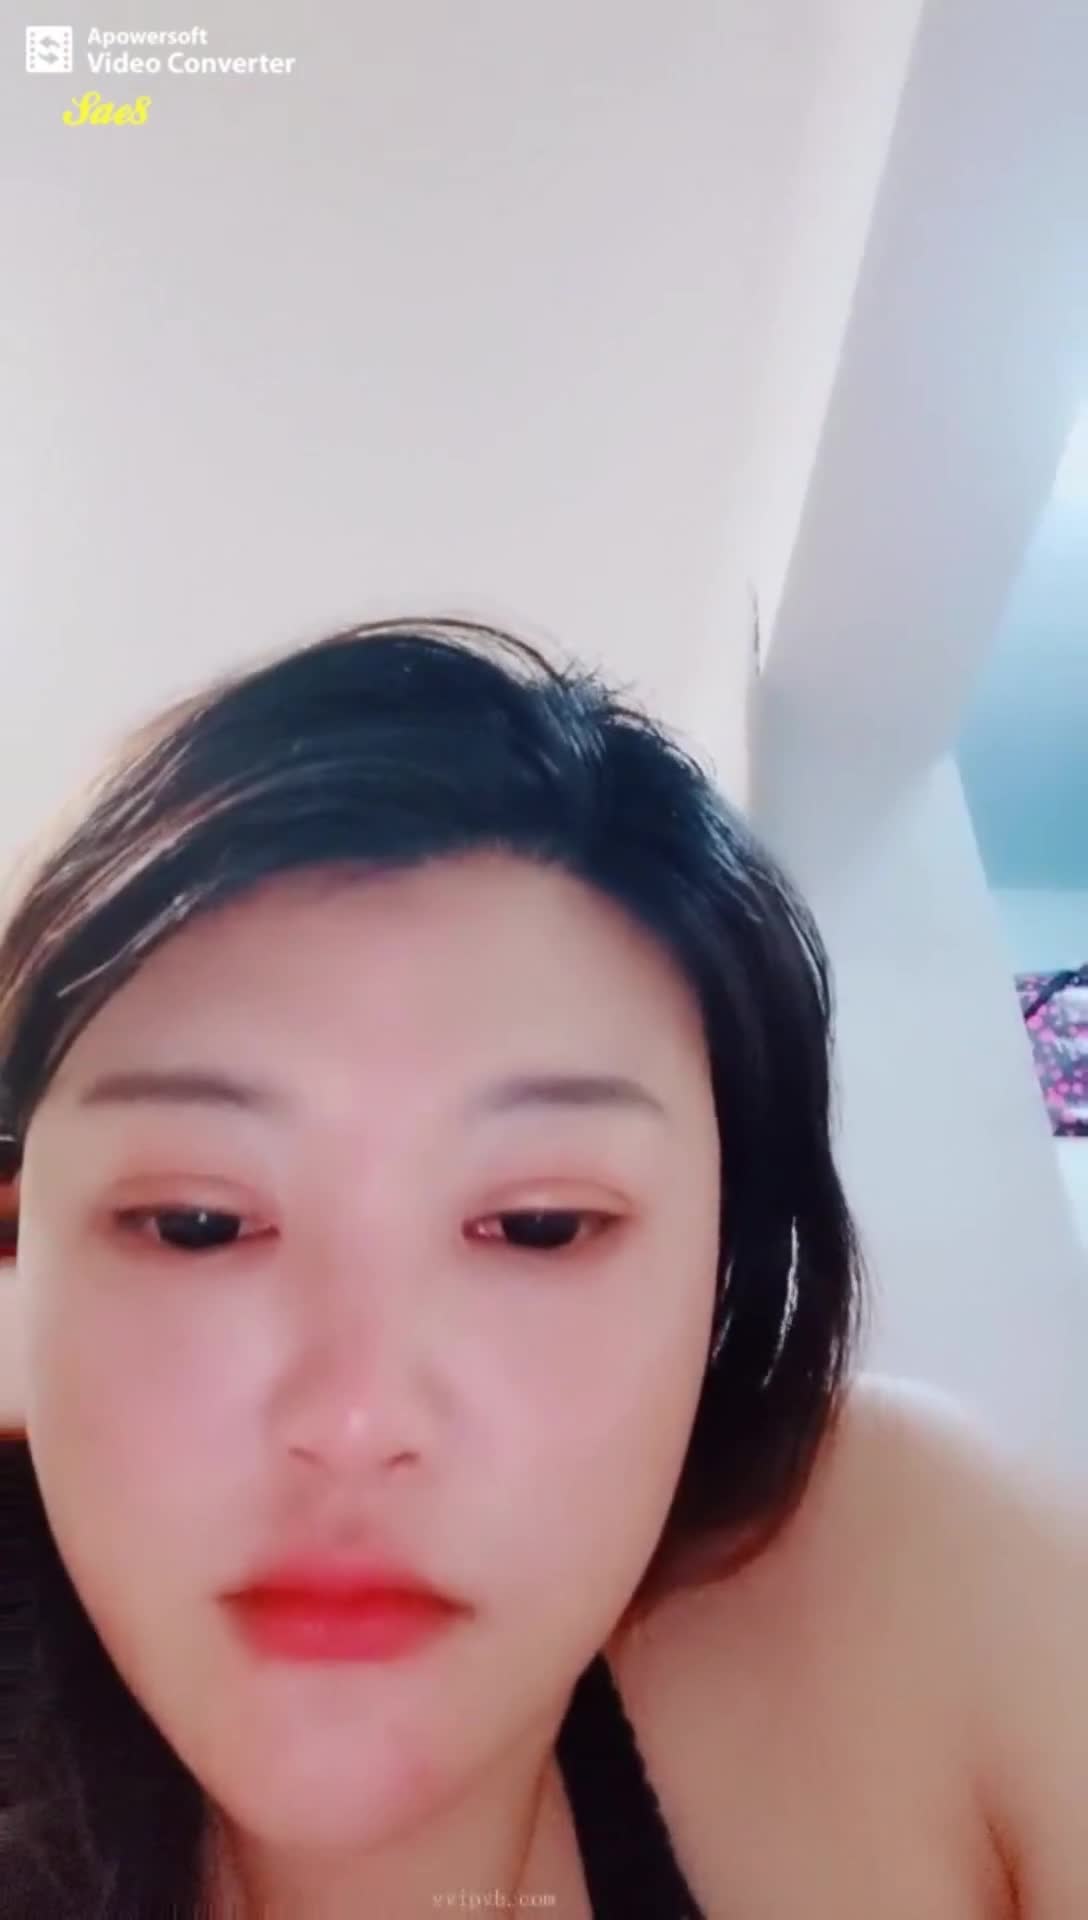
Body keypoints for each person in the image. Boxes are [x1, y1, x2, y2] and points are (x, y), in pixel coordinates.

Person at [0, 617, 1083, 1918]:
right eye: (195, 1223)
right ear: (22, 1255)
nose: (358, 1420)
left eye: (541, 1226)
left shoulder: (901, 1581)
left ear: (717, 1275)